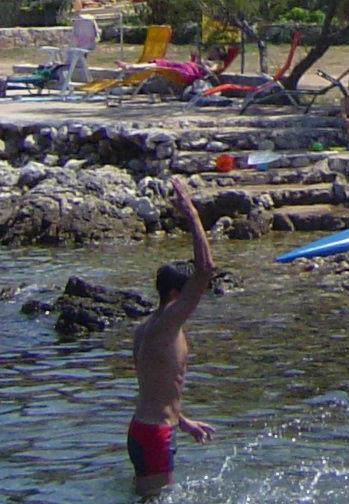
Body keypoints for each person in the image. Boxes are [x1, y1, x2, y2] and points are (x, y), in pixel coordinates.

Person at [129, 178, 216, 494]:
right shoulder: (168, 322)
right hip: (155, 436)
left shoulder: (146, 328)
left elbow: (157, 387)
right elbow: (206, 270)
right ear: (176, 294)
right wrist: (192, 214)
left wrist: (183, 420)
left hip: (144, 429)